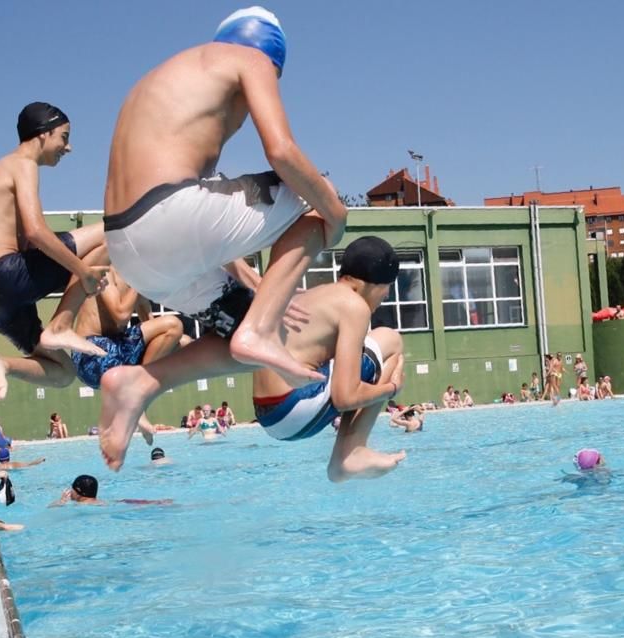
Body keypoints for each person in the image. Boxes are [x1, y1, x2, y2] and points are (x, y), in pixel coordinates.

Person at [102, 6, 347, 389]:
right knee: (319, 193)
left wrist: (261, 283)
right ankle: (259, 330)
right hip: (167, 213)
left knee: (238, 339)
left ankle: (139, 385)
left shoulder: (166, 80)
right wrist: (336, 215)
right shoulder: (251, 59)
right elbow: (282, 152)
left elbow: (201, 216)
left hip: (129, 255)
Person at [0, 102, 110, 403]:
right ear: (44, 134)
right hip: (4, 275)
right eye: (64, 136)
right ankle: (60, 325)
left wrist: (74, 274)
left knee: (63, 371)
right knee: (110, 233)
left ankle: (0, 363)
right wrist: (84, 273)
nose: (67, 147)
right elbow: (36, 231)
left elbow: (27, 242)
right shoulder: (22, 164)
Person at [251, 237, 407, 481]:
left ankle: (349, 453)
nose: (386, 296)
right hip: (293, 408)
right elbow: (345, 397)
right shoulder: (354, 306)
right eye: (386, 288)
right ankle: (349, 453)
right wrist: (391, 389)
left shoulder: (317, 296)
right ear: (372, 284)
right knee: (390, 340)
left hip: (268, 414)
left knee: (362, 352)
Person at [70, 266, 186, 442]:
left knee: (183, 342)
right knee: (174, 324)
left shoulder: (134, 279)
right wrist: (138, 281)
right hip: (91, 354)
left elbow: (154, 329)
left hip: (114, 354)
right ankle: (137, 396)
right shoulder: (106, 269)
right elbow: (121, 316)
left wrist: (171, 350)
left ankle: (137, 399)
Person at [50, 474, 172, 507]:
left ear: (78, 490)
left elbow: (51, 511)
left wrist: (60, 502)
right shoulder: (106, 502)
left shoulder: (77, 507)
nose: (70, 492)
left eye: (72, 488)